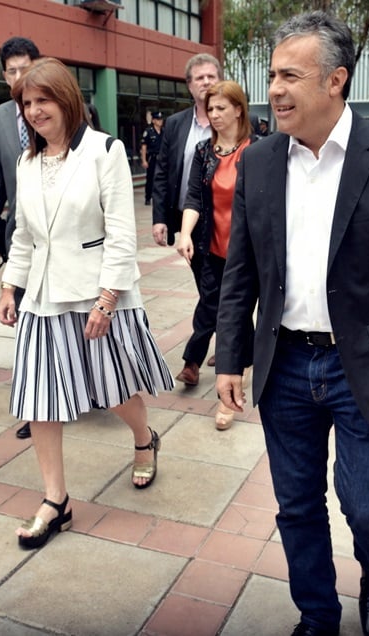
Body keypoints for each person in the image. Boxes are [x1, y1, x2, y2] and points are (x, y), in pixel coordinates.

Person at [215, 12, 369, 636]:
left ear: (336, 81)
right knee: (297, 507)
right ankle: (317, 617)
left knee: (367, 506)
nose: (275, 89)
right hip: (285, 365)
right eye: (271, 74)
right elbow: (241, 273)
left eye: (291, 75)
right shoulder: (260, 161)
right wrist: (228, 360)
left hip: (366, 366)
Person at [0, 58, 174, 550]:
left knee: (111, 390)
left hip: (96, 293)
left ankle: (144, 438)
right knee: (39, 399)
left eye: (42, 101)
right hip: (42, 298)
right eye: (26, 104)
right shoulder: (26, 160)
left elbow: (120, 233)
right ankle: (56, 500)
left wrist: (108, 298)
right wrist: (11, 285)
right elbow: (25, 234)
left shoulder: (105, 151)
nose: (33, 111)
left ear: (67, 99)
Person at [173, 80, 258, 430]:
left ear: (239, 109)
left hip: (249, 250)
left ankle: (230, 394)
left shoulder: (258, 150)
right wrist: (186, 232)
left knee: (233, 316)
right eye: (210, 109)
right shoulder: (203, 152)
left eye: (221, 108)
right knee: (218, 309)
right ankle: (236, 372)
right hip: (212, 249)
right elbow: (194, 197)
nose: (215, 115)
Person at [0, 35, 42, 440]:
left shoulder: (63, 107)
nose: (19, 77)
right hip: (20, 236)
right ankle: (38, 406)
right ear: (4, 77)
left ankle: (90, 389)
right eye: (11, 71)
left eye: (25, 68)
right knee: (27, 325)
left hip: (64, 237)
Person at [151, 52, 222, 380]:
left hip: (223, 221)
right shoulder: (177, 124)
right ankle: (235, 343)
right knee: (210, 289)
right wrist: (160, 216)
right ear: (189, 86)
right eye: (199, 78)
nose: (206, 82)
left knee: (213, 291)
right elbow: (162, 170)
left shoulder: (232, 120)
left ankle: (193, 360)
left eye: (211, 76)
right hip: (187, 221)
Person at [140, 111, 164, 205]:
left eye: (161, 119)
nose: (160, 121)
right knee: (150, 179)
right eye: (158, 119)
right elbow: (144, 147)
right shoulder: (148, 132)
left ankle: (159, 197)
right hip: (152, 158)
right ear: (153, 120)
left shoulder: (164, 131)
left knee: (161, 179)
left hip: (161, 159)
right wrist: (144, 160)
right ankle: (148, 197)